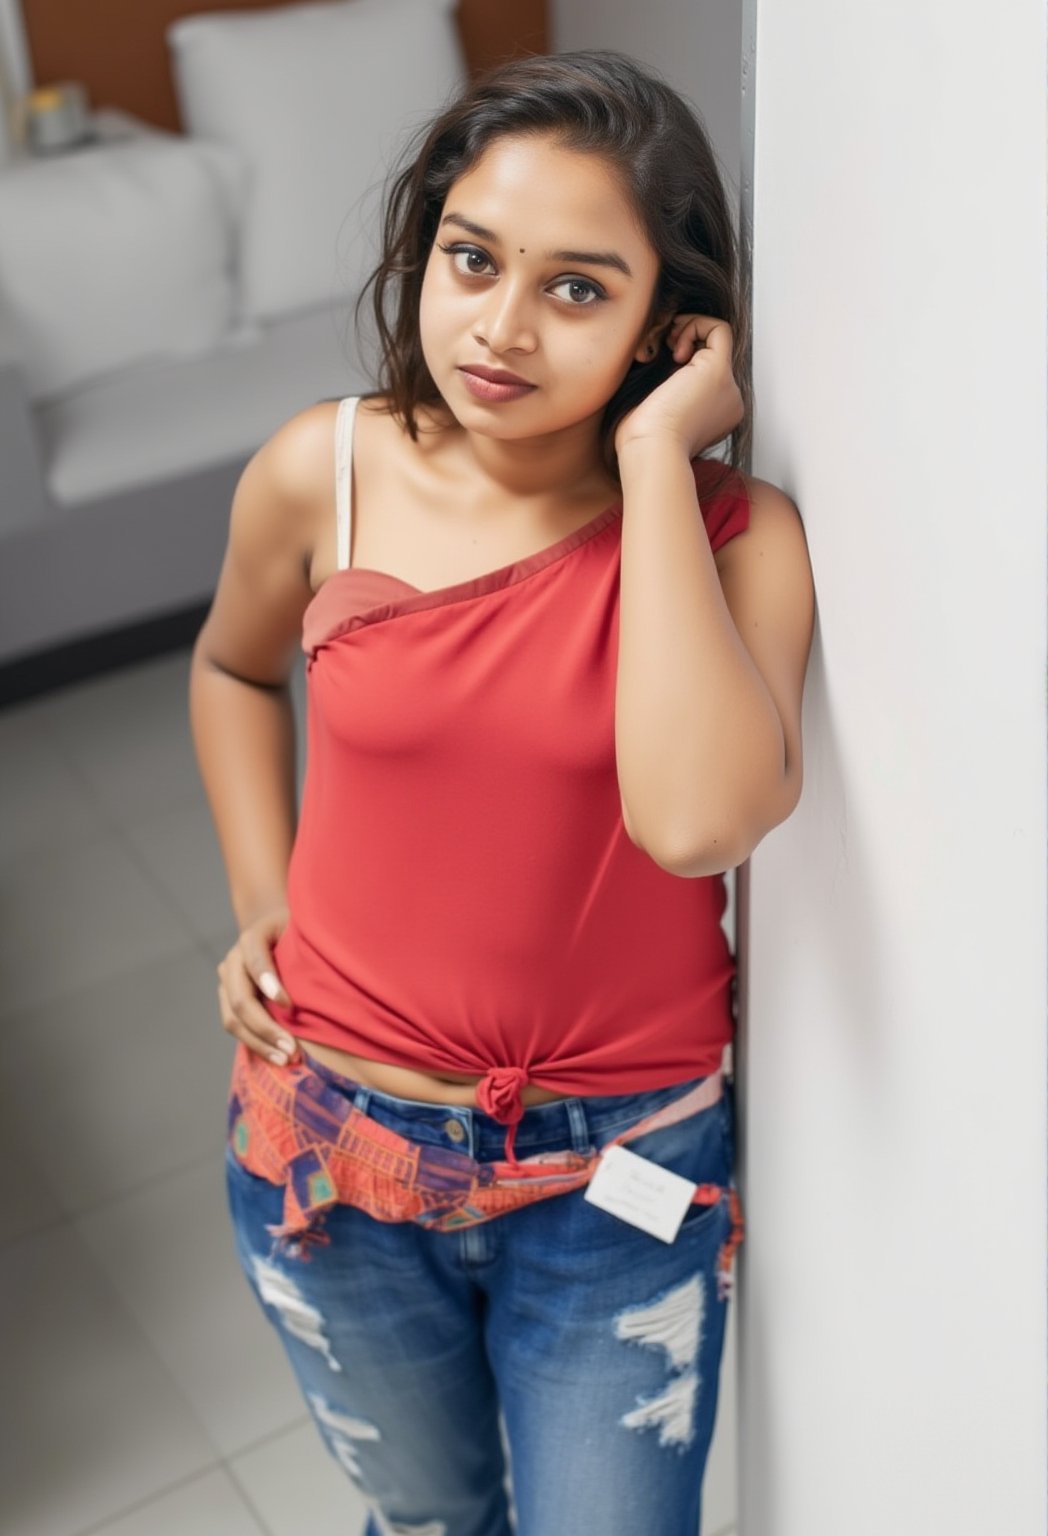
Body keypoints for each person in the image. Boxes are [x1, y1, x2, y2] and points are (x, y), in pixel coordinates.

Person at [189, 47, 814, 1536]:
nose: (502, 329)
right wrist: (265, 899)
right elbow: (228, 671)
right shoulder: (320, 471)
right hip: (332, 1153)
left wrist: (659, 454)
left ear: (674, 327)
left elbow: (694, 824)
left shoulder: (740, 540)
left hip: (618, 1185)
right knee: (431, 1526)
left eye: (579, 290)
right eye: (473, 261)